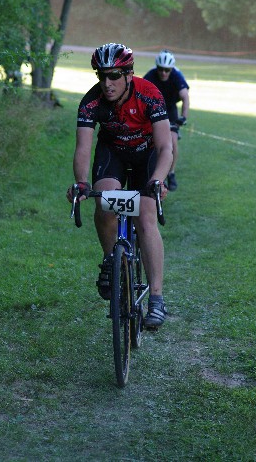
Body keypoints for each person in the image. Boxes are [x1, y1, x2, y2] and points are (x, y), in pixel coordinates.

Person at [67, 43, 173, 328]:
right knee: (105, 203)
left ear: (128, 74)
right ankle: (111, 261)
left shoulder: (150, 95)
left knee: (146, 215)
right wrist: (81, 183)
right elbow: (83, 148)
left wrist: (158, 179)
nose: (107, 83)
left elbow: (165, 148)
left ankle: (157, 299)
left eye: (114, 75)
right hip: (112, 152)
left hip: (147, 155)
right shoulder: (91, 102)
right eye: (101, 75)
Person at [144, 50, 189, 191]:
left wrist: (184, 117)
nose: (163, 73)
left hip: (170, 110)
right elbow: (138, 92)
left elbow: (185, 97)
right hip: (154, 109)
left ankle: (171, 173)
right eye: (161, 69)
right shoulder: (150, 75)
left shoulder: (177, 75)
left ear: (171, 69)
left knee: (172, 141)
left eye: (167, 70)